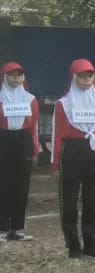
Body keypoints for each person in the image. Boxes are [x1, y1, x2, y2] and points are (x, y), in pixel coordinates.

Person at [53, 59, 95, 259]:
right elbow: (57, 133)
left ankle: (91, 243)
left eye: (89, 76)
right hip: (71, 152)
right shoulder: (63, 104)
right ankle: (73, 244)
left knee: (93, 200)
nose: (86, 80)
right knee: (69, 199)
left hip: (93, 151)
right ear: (74, 77)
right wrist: (55, 163)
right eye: (82, 76)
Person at [0, 61, 40, 241]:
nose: (16, 78)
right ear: (5, 77)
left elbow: (34, 127)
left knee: (21, 185)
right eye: (12, 75)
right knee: (3, 183)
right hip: (3, 140)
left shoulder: (30, 99)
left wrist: (35, 149)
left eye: (19, 75)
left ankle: (16, 228)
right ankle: (2, 228)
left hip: (23, 141)